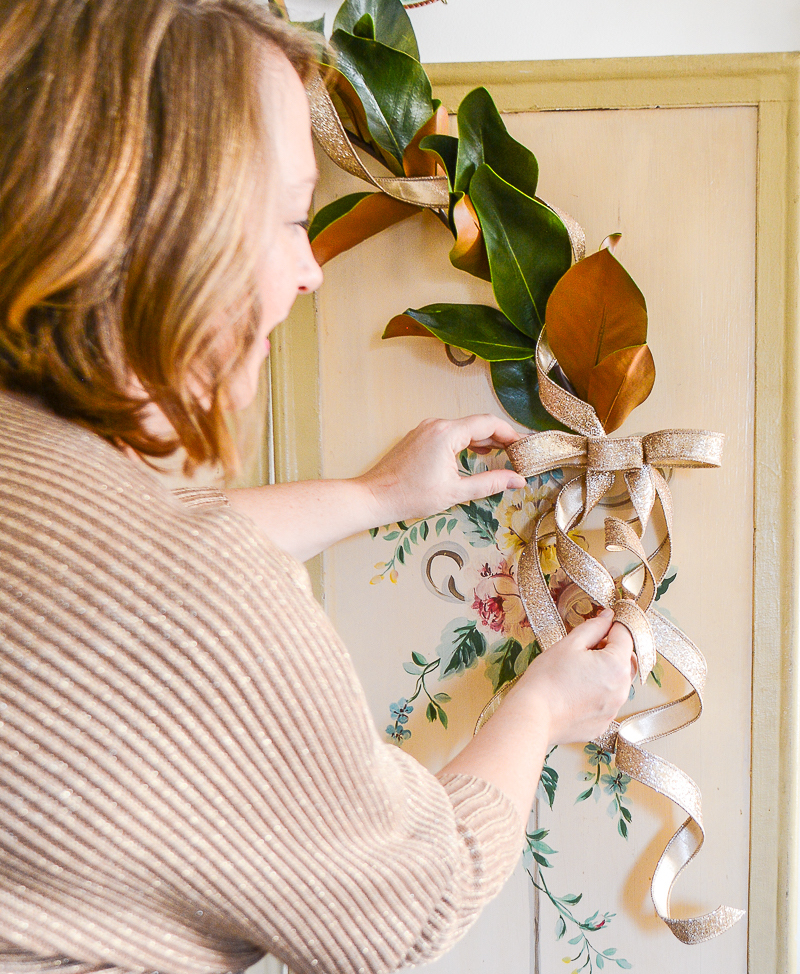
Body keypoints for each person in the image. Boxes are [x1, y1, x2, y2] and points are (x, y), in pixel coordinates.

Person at [0, 3, 635, 974]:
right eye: (293, 219)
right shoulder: (191, 600)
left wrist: (375, 491)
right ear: (174, 223)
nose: (308, 274)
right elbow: (408, 903)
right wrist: (540, 710)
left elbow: (82, 573)